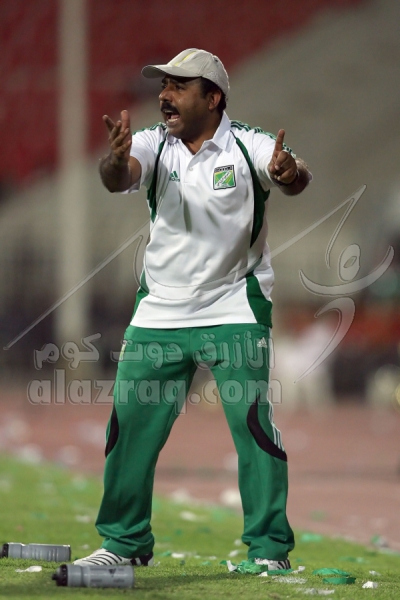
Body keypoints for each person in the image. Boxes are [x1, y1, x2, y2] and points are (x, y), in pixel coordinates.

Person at [74, 48, 311, 570]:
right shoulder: (153, 143)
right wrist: (114, 160)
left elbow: (293, 176)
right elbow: (118, 175)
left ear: (213, 97)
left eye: (178, 86)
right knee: (129, 425)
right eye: (163, 85)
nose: (164, 96)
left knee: (252, 425)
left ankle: (269, 551)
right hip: (161, 310)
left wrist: (288, 172)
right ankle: (124, 543)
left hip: (234, 306)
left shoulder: (249, 144)